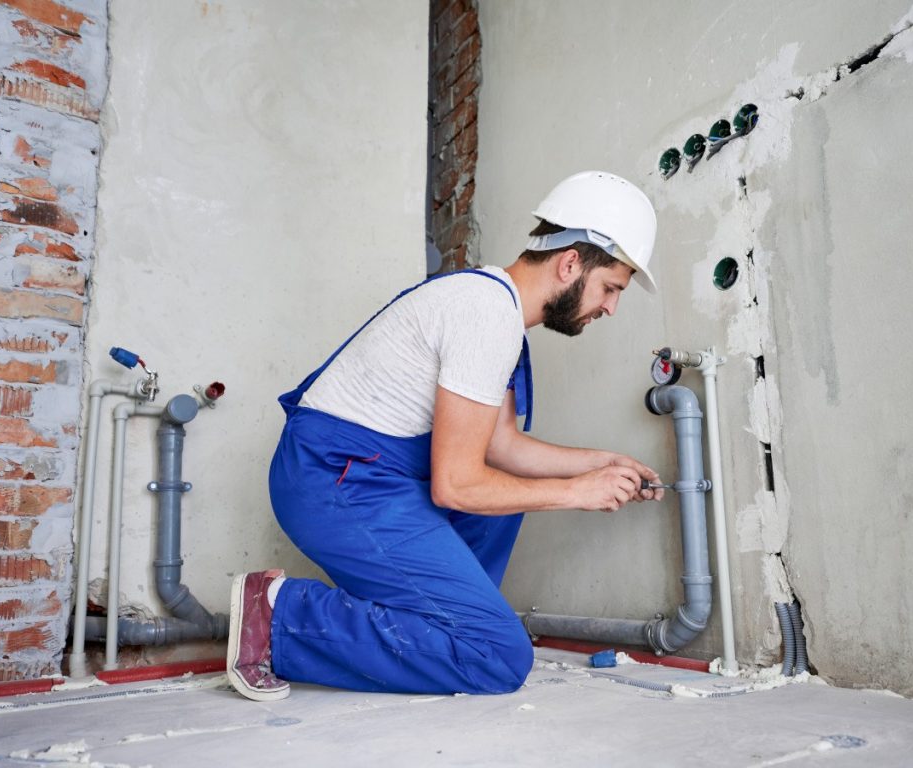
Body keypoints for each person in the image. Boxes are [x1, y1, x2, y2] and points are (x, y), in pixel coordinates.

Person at [227, 171, 665, 701]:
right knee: (497, 656)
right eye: (611, 288)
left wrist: (601, 464)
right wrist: (577, 493)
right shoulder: (485, 316)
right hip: (332, 479)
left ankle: (436, 621)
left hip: (362, 472)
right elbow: (457, 485)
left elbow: (499, 447)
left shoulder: (494, 308)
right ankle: (279, 615)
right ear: (570, 263)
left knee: (501, 503)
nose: (611, 307)